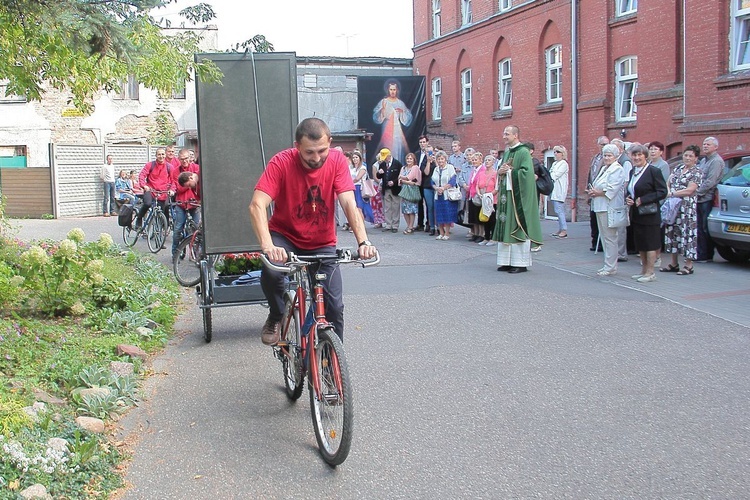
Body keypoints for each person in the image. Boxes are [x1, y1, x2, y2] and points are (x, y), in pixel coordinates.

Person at [249, 117, 377, 345]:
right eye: (309, 152)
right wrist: (268, 246)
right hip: (285, 236)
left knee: (334, 307)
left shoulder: (337, 161)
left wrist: (363, 242)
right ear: (297, 146)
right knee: (272, 272)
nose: (316, 158)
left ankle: (330, 363)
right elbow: (257, 205)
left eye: (322, 150)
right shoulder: (282, 162)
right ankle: (276, 314)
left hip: (322, 241)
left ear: (330, 142)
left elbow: (348, 202)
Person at [492, 125, 542, 273]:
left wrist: (510, 172)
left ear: (515, 135)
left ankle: (520, 263)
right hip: (506, 197)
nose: (504, 136)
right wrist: (501, 172)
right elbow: (502, 170)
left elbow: (527, 174)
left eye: (507, 134)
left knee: (516, 226)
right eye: (503, 133)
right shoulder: (507, 153)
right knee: (505, 226)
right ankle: (506, 261)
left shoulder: (523, 152)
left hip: (517, 198)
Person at [625, 144, 668, 283]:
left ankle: (650, 273)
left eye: (640, 155)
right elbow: (631, 189)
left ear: (645, 156)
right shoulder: (633, 171)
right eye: (634, 155)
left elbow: (662, 191)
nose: (637, 158)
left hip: (650, 213)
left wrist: (643, 199)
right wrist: (629, 198)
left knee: (650, 243)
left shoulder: (653, 171)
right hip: (636, 213)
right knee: (641, 243)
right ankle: (643, 271)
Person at [662, 145, 702, 276]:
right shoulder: (678, 168)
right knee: (673, 232)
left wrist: (673, 193)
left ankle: (688, 265)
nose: (687, 158)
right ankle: (674, 263)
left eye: (691, 156)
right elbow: (669, 182)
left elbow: (690, 190)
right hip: (674, 207)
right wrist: (668, 191)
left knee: (687, 234)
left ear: (696, 158)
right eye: (686, 155)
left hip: (687, 208)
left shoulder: (697, 172)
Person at [586, 144, 626, 276]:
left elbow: (611, 189)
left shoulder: (617, 169)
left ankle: (611, 266)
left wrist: (597, 192)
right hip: (599, 206)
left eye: (609, 155)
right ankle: (608, 265)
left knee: (610, 238)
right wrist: (593, 191)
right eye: (605, 155)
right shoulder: (604, 168)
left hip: (609, 207)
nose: (607, 158)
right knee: (604, 237)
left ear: (616, 156)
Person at [695, 136, 724, 262]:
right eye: (704, 144)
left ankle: (706, 254)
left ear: (715, 147)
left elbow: (710, 182)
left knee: (705, 227)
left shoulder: (716, 161)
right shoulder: (703, 160)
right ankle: (700, 252)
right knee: (699, 227)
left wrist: (696, 192)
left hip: (706, 198)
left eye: (708, 144)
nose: (705, 146)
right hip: (699, 198)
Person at [372, 79, 413, 163]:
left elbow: (408, 117)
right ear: (388, 90)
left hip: (397, 130)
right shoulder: (384, 102)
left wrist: (402, 112)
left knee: (398, 148)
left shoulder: (400, 103)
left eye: (394, 89)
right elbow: (376, 116)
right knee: (387, 147)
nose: (392, 91)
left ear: (397, 90)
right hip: (387, 128)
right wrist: (382, 110)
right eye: (391, 89)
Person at [170, 149, 201, 258]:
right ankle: (175, 253)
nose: (184, 161)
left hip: (194, 204)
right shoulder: (175, 171)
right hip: (182, 204)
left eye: (186, 158)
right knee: (178, 228)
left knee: (197, 230)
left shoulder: (196, 169)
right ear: (179, 159)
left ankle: (197, 254)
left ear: (190, 158)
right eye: (182, 159)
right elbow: (177, 188)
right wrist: (188, 185)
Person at [136, 147, 174, 230]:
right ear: (156, 155)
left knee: (164, 208)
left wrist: (172, 190)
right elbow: (142, 175)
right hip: (150, 190)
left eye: (163, 154)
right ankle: (139, 219)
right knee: (147, 204)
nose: (161, 156)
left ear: (165, 155)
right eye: (159, 154)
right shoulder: (150, 165)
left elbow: (174, 180)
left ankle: (163, 227)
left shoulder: (169, 167)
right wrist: (144, 185)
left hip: (162, 192)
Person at [611, 138, 634, 260]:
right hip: (615, 198)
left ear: (620, 149)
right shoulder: (615, 161)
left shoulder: (625, 162)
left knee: (620, 227)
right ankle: (615, 251)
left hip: (622, 198)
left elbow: (626, 181)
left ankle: (621, 252)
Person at [431, 150, 459, 240]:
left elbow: (453, 180)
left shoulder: (450, 167)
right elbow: (432, 181)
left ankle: (447, 233)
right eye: (438, 159)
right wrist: (436, 188)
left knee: (447, 214)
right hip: (438, 195)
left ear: (445, 159)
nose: (440, 161)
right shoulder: (436, 169)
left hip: (447, 194)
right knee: (438, 214)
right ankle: (441, 232)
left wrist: (443, 188)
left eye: (442, 159)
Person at [373, 148, 402, 232]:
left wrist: (394, 182)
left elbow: (400, 175)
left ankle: (395, 225)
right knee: (387, 207)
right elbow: (378, 177)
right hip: (386, 189)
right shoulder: (382, 164)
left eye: (385, 157)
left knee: (395, 207)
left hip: (395, 188)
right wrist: (379, 173)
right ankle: (388, 224)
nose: (385, 159)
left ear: (389, 156)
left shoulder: (397, 164)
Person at [588, 136, 609, 252]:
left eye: (606, 144)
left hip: (601, 193)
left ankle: (600, 244)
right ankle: (594, 241)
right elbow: (590, 174)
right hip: (593, 191)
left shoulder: (608, 161)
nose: (604, 147)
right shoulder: (595, 158)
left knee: (601, 221)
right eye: (602, 145)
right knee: (593, 219)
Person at [549, 145, 570, 238]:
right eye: (555, 152)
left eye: (558, 152)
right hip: (553, 190)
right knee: (557, 211)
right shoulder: (554, 163)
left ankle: (564, 230)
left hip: (559, 190)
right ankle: (560, 228)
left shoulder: (564, 164)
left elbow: (554, 175)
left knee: (559, 210)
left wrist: (549, 175)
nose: (555, 154)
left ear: (562, 153)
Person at [398, 152, 421, 234]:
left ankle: (411, 226)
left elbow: (409, 178)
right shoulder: (403, 168)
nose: (409, 160)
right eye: (408, 158)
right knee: (404, 209)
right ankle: (408, 226)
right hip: (404, 190)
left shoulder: (415, 167)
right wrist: (405, 181)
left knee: (411, 209)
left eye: (411, 159)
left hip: (412, 190)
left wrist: (404, 180)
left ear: (414, 160)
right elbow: (399, 179)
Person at [349, 151, 372, 227]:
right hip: (352, 188)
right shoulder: (350, 167)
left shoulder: (363, 168)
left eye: (356, 157)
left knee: (359, 208)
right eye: (353, 157)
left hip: (359, 188)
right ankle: (356, 225)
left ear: (360, 158)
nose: (355, 159)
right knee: (353, 208)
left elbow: (357, 178)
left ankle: (361, 225)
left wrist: (348, 183)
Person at [479, 155, 498, 245]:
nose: (487, 161)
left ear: (493, 162)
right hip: (483, 199)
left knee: (492, 219)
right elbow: (478, 185)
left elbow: (497, 188)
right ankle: (486, 237)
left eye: (489, 160)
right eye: (486, 160)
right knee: (485, 218)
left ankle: (493, 238)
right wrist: (479, 194)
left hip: (492, 199)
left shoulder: (495, 174)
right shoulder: (482, 173)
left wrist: (489, 195)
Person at [420, 142, 437, 235]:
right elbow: (426, 173)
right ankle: (432, 226)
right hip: (427, 186)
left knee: (437, 207)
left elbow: (440, 169)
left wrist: (434, 161)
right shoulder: (424, 161)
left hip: (437, 186)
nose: (429, 153)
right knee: (430, 207)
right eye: (427, 152)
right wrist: (428, 162)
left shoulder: (437, 160)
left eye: (430, 152)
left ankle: (439, 226)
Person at [466, 152, 485, 241]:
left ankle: (481, 234)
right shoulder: (474, 170)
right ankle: (476, 233)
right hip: (471, 194)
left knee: (479, 216)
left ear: (480, 160)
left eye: (476, 160)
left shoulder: (483, 170)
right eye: (473, 160)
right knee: (473, 216)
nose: (474, 161)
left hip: (478, 195)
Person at [417, 135, 433, 233]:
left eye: (424, 142)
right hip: (418, 182)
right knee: (419, 203)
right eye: (421, 142)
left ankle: (429, 223)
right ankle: (420, 223)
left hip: (427, 181)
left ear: (427, 142)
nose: (422, 144)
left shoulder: (430, 154)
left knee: (428, 204)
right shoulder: (417, 153)